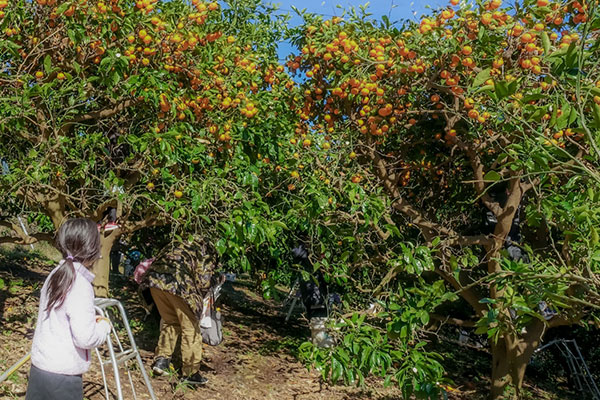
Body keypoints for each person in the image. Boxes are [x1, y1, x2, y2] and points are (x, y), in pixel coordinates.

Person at [26, 218, 111, 400]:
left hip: (40, 370)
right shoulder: (80, 284)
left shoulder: (56, 274)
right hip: (62, 376)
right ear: (94, 248)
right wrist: (104, 327)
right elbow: (85, 337)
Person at [141, 236, 219, 386]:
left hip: (154, 282)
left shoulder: (177, 240)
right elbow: (204, 280)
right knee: (190, 328)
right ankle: (191, 373)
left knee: (170, 321)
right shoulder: (206, 249)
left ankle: (161, 361)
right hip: (178, 286)